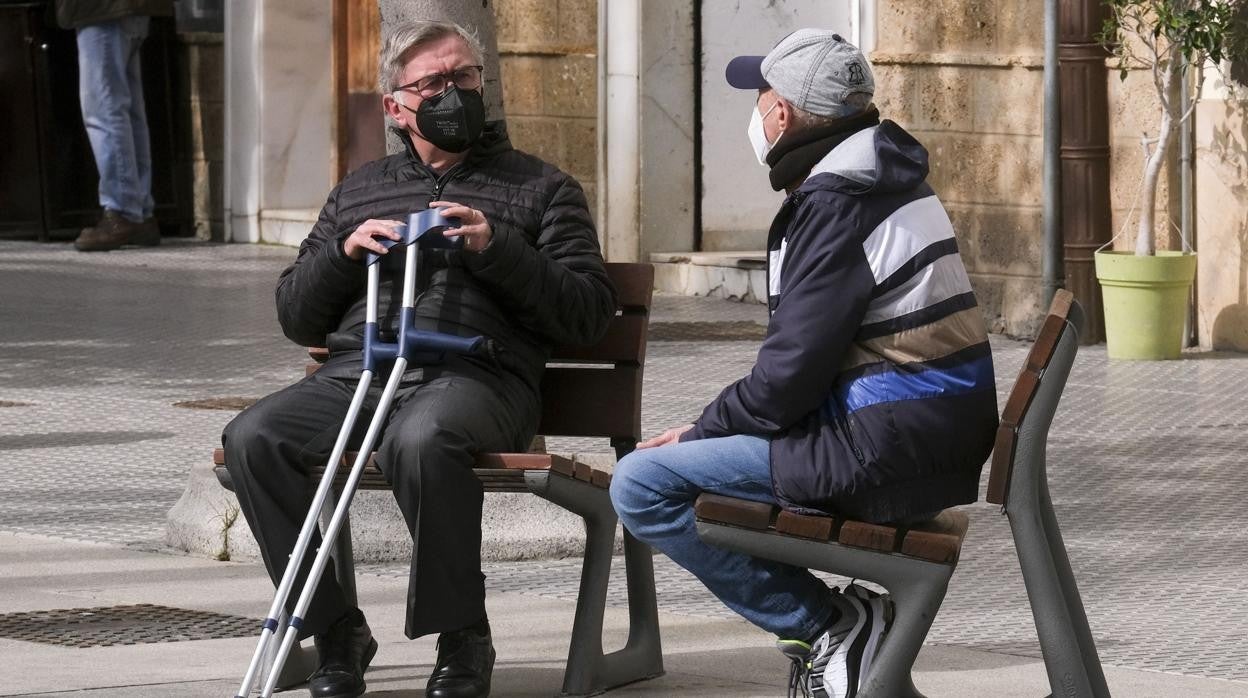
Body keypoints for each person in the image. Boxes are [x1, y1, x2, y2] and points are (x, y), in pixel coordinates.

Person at [222, 20, 615, 698]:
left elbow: (586, 311)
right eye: (433, 82)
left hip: (479, 378)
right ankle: (336, 630)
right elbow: (295, 316)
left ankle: (463, 637)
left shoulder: (544, 189)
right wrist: (344, 254)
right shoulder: (359, 190)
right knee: (254, 438)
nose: (453, 93)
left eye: (465, 78)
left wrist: (497, 247)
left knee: (423, 437)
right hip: (362, 372)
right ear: (396, 105)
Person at [609, 29, 999, 698]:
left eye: (759, 95)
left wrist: (703, 431)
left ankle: (828, 625)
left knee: (642, 486)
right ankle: (843, 630)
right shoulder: (882, 178)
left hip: (888, 449)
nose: (756, 110)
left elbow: (786, 382)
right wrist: (717, 430)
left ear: (782, 112)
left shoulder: (839, 203)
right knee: (671, 470)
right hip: (918, 435)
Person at [56, 0, 172, 252]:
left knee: (104, 110)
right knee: (126, 112)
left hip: (102, 10)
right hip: (129, 9)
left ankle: (122, 210)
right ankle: (139, 212)